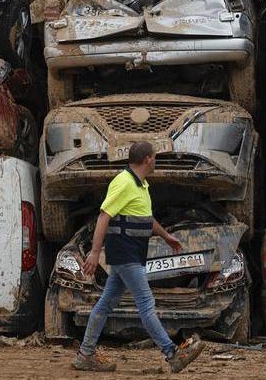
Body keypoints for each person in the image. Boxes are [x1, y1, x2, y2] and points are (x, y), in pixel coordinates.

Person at [72, 140, 206, 373]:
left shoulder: (141, 185)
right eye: (155, 157)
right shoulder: (123, 182)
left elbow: (146, 218)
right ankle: (172, 353)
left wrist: (166, 236)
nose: (156, 161)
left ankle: (85, 354)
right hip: (125, 254)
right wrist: (94, 253)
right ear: (147, 159)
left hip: (132, 253)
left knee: (105, 304)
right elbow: (104, 216)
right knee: (146, 304)